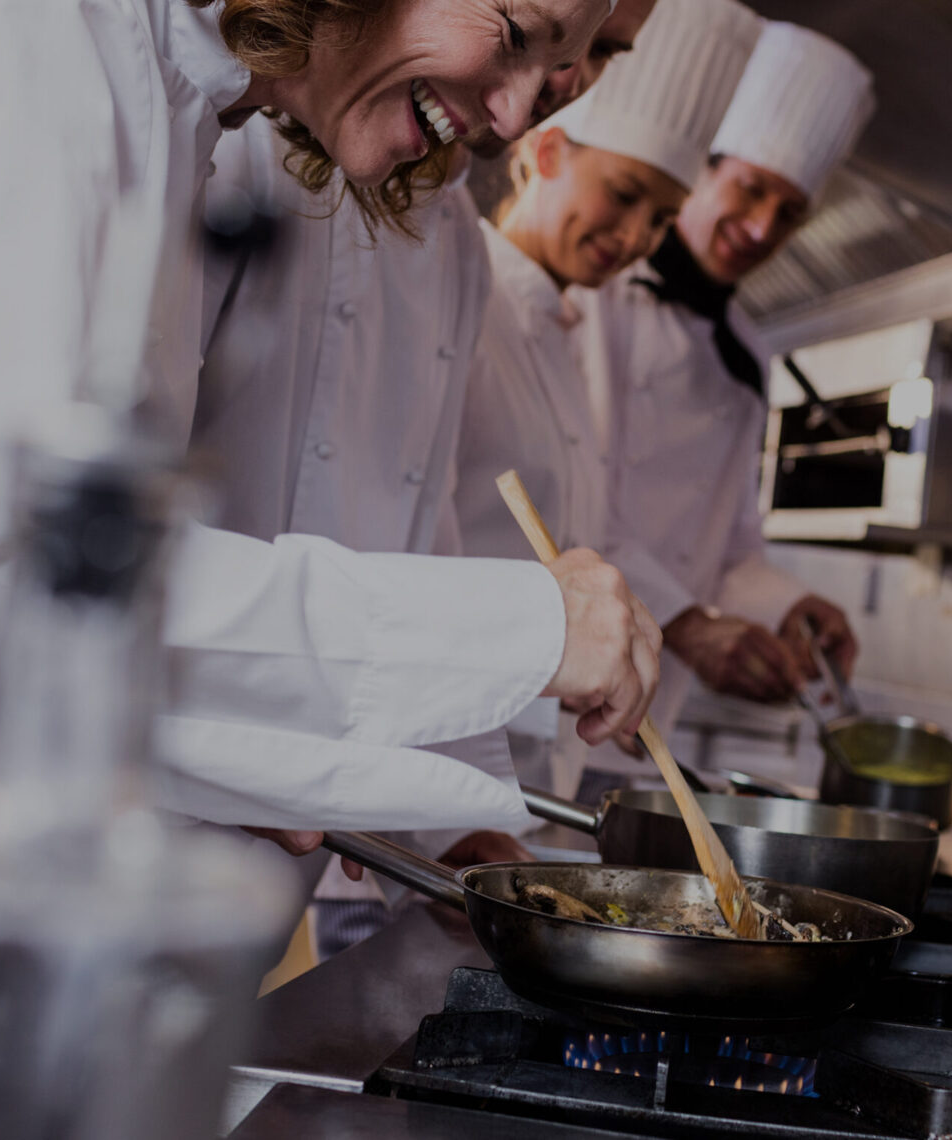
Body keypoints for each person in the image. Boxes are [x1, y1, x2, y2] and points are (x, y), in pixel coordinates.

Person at [0, 1, 661, 1136]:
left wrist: (261, 760)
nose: (514, 110)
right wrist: (522, 635)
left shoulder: (167, 90)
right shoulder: (9, 31)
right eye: (515, 31)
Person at [191, 0, 659, 952]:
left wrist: (467, 840)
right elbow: (53, 554)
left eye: (597, 55)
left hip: (274, 839)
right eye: (530, 39)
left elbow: (420, 533)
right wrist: (520, 632)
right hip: (146, 809)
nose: (554, 94)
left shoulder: (452, 243)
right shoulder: (247, 135)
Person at [451, 0, 762, 796]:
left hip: (511, 774)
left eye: (660, 219)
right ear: (544, 151)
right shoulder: (465, 290)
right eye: (623, 196)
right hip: (431, 763)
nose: (633, 239)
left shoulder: (561, 332)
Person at [575, 21, 877, 751]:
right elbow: (575, 506)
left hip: (651, 709)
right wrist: (688, 623)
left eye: (789, 213)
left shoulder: (747, 353)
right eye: (751, 189)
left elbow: (732, 548)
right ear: (701, 173)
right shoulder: (592, 296)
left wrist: (790, 608)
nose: (762, 227)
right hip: (559, 682)